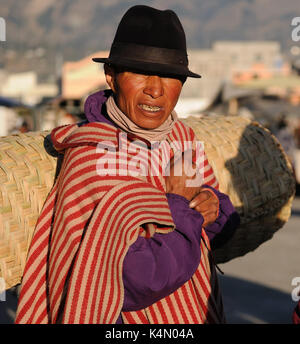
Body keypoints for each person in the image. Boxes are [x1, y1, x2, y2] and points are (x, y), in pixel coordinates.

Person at [15, 5, 239, 324]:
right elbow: (133, 280)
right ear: (112, 76)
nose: (155, 89)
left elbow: (218, 234)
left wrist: (214, 208)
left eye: (169, 76)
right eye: (140, 72)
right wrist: (180, 207)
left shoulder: (182, 139)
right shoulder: (92, 156)